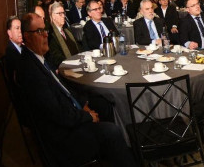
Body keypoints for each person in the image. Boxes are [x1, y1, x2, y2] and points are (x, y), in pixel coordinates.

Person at [16, 13, 135, 167]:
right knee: (112, 131)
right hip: (62, 136)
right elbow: (56, 113)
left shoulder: (39, 59)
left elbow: (63, 89)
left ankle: (112, 153)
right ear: (27, 36)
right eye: (40, 32)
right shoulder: (30, 70)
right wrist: (86, 116)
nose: (46, 35)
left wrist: (83, 103)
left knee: (104, 104)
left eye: (45, 30)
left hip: (68, 111)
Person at [46, 2, 80, 70]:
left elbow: (78, 46)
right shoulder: (51, 35)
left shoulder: (67, 30)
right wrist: (73, 63)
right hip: (66, 68)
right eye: (60, 13)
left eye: (63, 13)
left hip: (78, 63)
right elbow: (56, 58)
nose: (63, 16)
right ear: (53, 16)